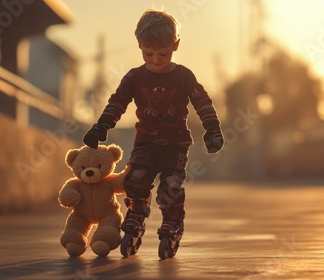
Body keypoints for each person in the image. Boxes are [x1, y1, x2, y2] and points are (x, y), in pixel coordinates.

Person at [82, 9, 224, 259]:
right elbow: (118, 102)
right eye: (149, 53)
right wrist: (101, 127)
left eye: (163, 53)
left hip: (175, 144)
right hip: (145, 141)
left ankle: (173, 224)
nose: (157, 59)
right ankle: (136, 214)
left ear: (175, 45)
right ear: (139, 45)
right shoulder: (135, 77)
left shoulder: (183, 76)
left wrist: (212, 128)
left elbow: (202, 101)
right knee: (135, 180)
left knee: (170, 188)